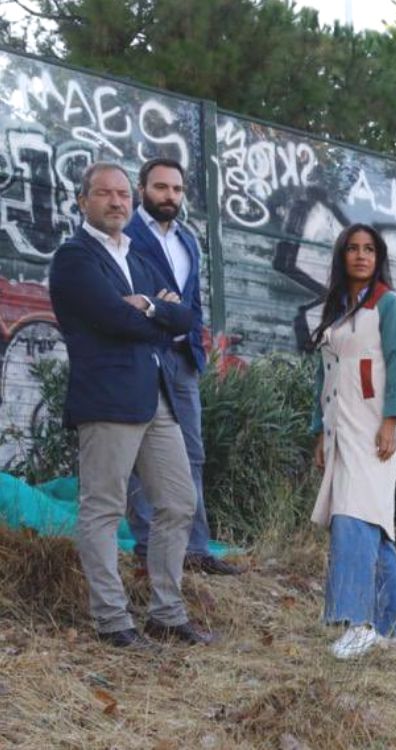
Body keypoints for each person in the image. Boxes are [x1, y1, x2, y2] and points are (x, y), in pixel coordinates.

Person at [49, 161, 210, 648]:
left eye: (123, 195)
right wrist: (151, 313)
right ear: (83, 202)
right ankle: (113, 621)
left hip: (154, 397)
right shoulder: (74, 258)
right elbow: (116, 322)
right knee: (102, 509)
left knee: (179, 503)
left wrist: (152, 306)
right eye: (105, 194)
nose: (117, 202)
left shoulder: (137, 257)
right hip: (107, 399)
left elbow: (184, 314)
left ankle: (166, 612)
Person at [124, 157, 240, 576]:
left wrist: (195, 342)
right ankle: (146, 547)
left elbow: (191, 302)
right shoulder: (126, 236)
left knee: (191, 453)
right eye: (160, 188)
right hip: (141, 357)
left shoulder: (188, 239)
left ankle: (196, 549)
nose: (169, 196)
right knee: (140, 453)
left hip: (183, 361)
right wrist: (158, 312)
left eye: (175, 189)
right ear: (143, 190)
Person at [309, 222, 396, 660]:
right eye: (352, 249)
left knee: (351, 518)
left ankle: (358, 623)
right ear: (342, 256)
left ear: (378, 257)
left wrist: (392, 421)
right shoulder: (336, 309)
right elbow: (325, 374)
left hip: (374, 428)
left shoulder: (388, 305)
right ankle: (395, 626)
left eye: (369, 249)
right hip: (340, 428)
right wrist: (320, 431)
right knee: (371, 523)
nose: (361, 256)